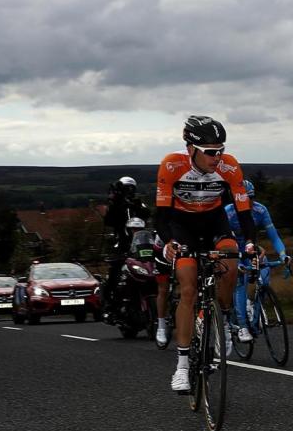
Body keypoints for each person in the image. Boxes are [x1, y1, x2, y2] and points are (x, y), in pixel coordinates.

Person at [155, 115, 256, 392]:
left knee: (231, 258)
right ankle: (182, 366)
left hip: (214, 223)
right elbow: (161, 216)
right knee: (187, 288)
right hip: (182, 225)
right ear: (191, 149)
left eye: (220, 149)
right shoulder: (172, 165)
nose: (217, 157)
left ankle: (224, 317)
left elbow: (243, 211)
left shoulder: (229, 166)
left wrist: (249, 242)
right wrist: (169, 242)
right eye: (210, 152)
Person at [224, 179, 290, 343]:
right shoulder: (228, 212)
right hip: (233, 251)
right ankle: (243, 326)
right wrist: (235, 262)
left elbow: (274, 236)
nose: (248, 202)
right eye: (244, 198)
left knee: (264, 276)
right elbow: (224, 240)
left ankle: (255, 310)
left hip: (251, 250)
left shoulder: (261, 210)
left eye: (251, 198)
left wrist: (283, 255)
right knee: (240, 282)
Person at [102, 176, 151, 318]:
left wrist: (135, 205)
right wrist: (115, 201)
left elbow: (147, 213)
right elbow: (109, 220)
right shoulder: (116, 205)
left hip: (140, 245)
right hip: (122, 245)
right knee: (115, 272)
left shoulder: (137, 203)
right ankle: (110, 304)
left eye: (131, 188)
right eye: (126, 188)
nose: (129, 191)